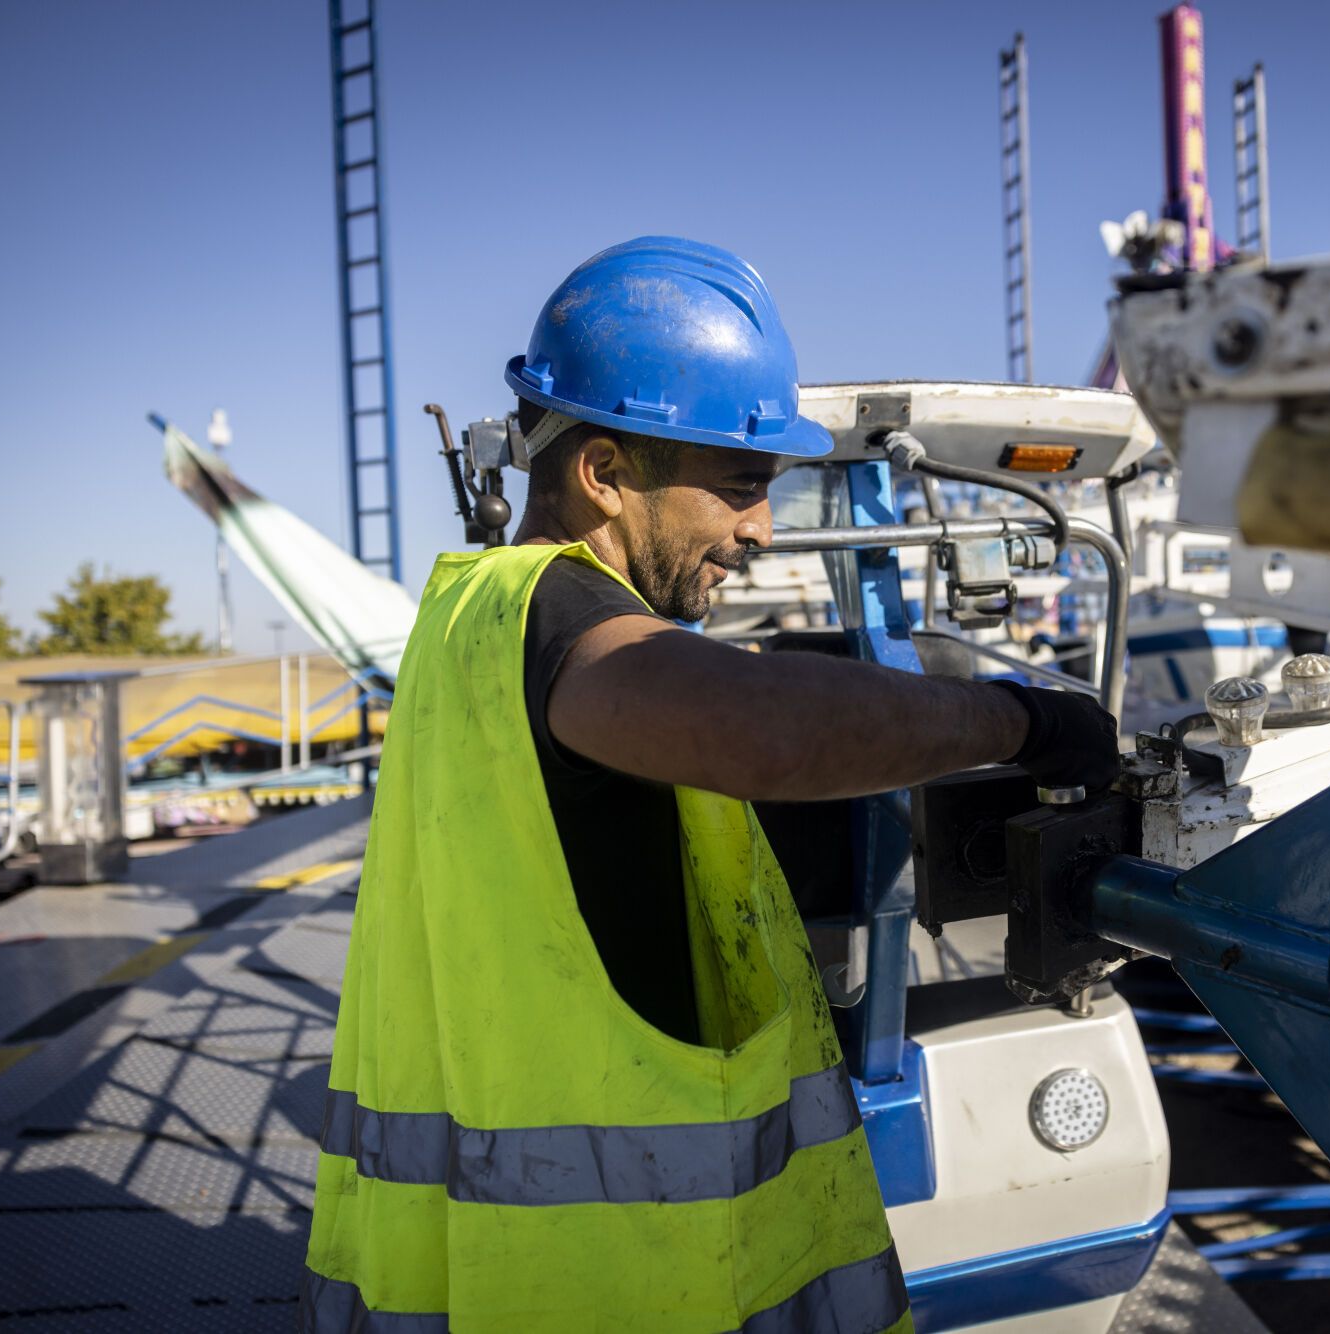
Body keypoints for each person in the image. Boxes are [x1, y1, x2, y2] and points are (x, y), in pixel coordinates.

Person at [301, 237, 1118, 1332]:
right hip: (613, 1278)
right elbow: (762, 730)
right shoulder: (555, 610)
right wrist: (1021, 719)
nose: (759, 530)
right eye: (738, 484)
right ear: (603, 473)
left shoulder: (465, 612)